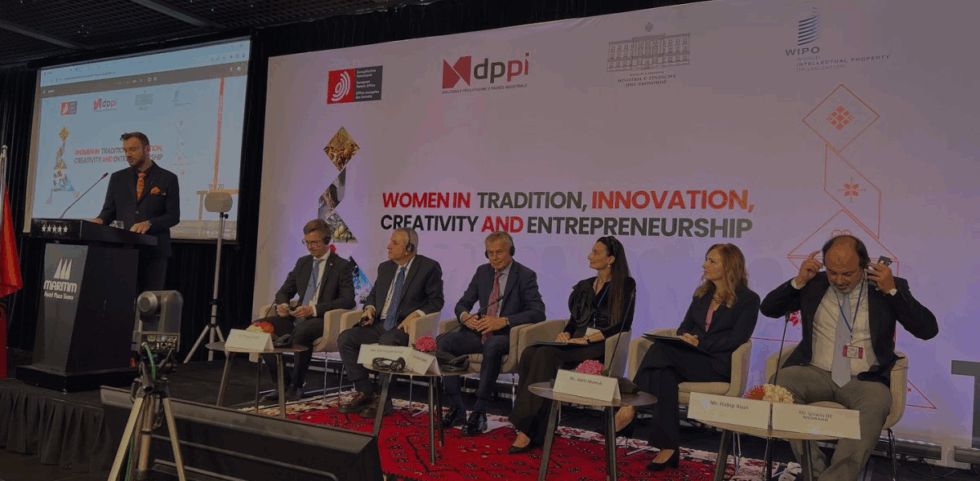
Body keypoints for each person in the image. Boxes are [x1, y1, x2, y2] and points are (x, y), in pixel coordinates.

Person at [761, 235, 938, 481]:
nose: (839, 280)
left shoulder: (885, 286)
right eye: (832, 273)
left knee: (875, 403)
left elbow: (928, 330)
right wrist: (799, 281)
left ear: (864, 265)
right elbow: (768, 309)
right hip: (816, 372)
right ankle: (815, 472)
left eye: (848, 274)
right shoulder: (813, 283)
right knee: (779, 384)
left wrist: (893, 292)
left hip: (865, 379)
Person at [614, 244, 760, 471]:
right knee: (664, 374)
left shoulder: (748, 299)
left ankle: (630, 406)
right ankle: (668, 448)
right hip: (690, 359)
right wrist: (686, 338)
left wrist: (700, 343)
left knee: (661, 351)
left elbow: (737, 339)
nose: (705, 265)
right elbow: (684, 327)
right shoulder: (702, 294)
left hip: (717, 364)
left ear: (729, 266)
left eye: (712, 261)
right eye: (706, 259)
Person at [508, 236, 635, 453]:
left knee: (546, 355)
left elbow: (623, 324)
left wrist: (587, 339)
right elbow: (574, 320)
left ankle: (527, 429)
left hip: (600, 345)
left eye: (596, 252)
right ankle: (538, 429)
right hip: (576, 343)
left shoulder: (626, 285)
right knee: (530, 352)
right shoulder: (586, 285)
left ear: (611, 259)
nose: (589, 256)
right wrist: (566, 333)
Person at [437, 232, 546, 435]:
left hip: (506, 337)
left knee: (493, 344)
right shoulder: (482, 272)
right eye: (490, 253)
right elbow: (463, 303)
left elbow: (538, 312)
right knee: (443, 341)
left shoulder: (525, 275)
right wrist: (465, 317)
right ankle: (456, 407)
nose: (494, 258)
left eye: (499, 252)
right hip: (479, 334)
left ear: (511, 251)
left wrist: (503, 321)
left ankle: (480, 411)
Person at [337, 228, 445, 418]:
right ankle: (364, 392)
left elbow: (436, 301)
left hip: (404, 327)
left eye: (395, 243)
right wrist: (370, 308)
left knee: (388, 341)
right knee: (346, 338)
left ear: (409, 248)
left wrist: (415, 315)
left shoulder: (429, 267)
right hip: (379, 323)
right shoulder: (385, 268)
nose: (388, 246)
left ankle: (384, 399)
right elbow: (373, 295)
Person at [254, 219, 355, 402]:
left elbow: (348, 300)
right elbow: (284, 291)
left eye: (314, 242)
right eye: (306, 242)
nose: (309, 247)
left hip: (322, 319)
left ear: (327, 240)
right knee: (260, 327)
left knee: (302, 331)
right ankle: (282, 384)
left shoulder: (341, 265)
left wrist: (313, 310)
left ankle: (297, 385)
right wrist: (283, 305)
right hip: (296, 316)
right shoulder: (303, 263)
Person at [93, 132, 180, 293]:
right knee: (120, 299)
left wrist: (149, 223)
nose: (128, 154)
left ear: (147, 149)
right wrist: (99, 220)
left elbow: (173, 216)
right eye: (125, 150)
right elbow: (108, 211)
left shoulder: (168, 178)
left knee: (149, 302)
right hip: (123, 251)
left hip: (154, 252)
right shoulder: (118, 178)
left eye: (132, 149)